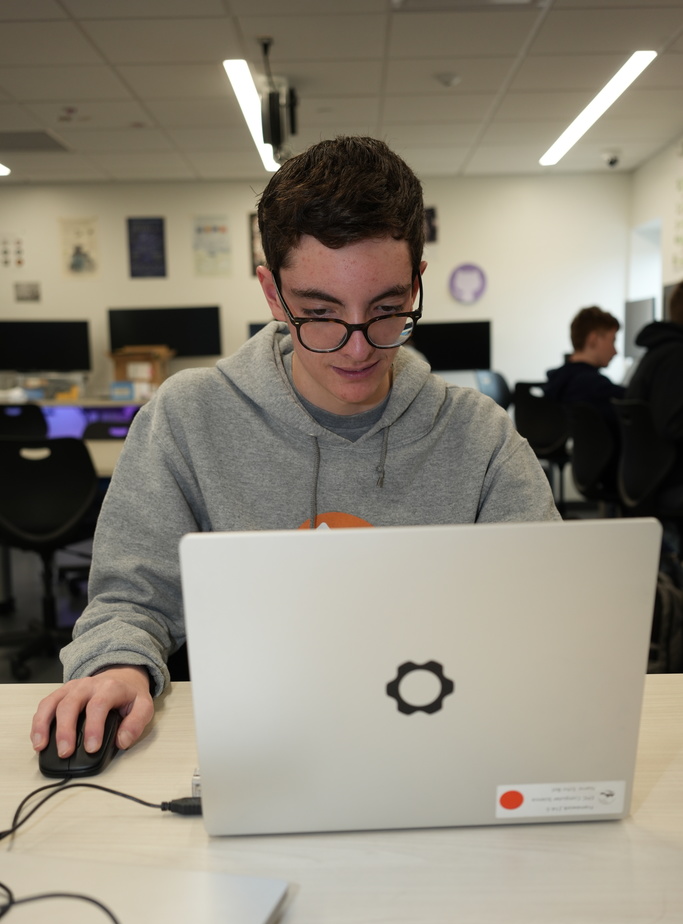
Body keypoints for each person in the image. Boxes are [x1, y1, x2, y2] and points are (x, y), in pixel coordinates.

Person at [30, 136, 559, 760]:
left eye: (388, 309)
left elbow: (547, 610)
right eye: (321, 311)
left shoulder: (482, 436)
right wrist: (117, 667)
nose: (358, 348)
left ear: (416, 284)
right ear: (273, 293)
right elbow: (129, 600)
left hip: (438, 739)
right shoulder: (186, 418)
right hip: (258, 745)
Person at [625, 280, 683, 489]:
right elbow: (673, 426)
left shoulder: (658, 351)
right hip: (666, 477)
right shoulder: (675, 357)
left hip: (649, 472)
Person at [541, 306, 625, 417]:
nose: (615, 351)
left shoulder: (555, 381)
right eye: (613, 341)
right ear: (593, 339)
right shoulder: (597, 388)